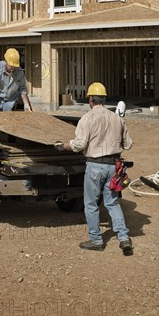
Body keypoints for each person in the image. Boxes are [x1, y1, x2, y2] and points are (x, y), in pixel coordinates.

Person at [54, 82, 133, 255]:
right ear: (103, 99)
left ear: (90, 99)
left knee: (90, 204)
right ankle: (124, 238)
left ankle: (96, 240)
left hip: (95, 166)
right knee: (112, 203)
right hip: (113, 167)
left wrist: (63, 146)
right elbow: (128, 144)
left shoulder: (87, 119)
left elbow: (80, 144)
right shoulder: (117, 119)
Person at [0, 48, 32, 112]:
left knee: (7, 120)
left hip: (9, 101)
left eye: (14, 65)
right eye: (11, 65)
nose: (13, 67)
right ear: (5, 61)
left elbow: (22, 89)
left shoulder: (19, 71)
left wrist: (26, 104)